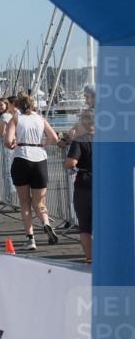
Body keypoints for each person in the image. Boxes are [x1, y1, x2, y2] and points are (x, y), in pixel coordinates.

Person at [4, 94, 61, 250]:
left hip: (22, 157)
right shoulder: (40, 119)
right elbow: (54, 138)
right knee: (39, 202)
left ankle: (30, 238)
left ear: (18, 105)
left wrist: (12, 144)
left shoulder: (16, 118)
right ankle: (46, 223)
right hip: (39, 159)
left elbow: (8, 141)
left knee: (25, 202)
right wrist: (43, 143)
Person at [64, 111, 93, 264]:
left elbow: (71, 163)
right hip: (107, 186)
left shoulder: (80, 141)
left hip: (85, 184)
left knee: (85, 226)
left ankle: (90, 258)